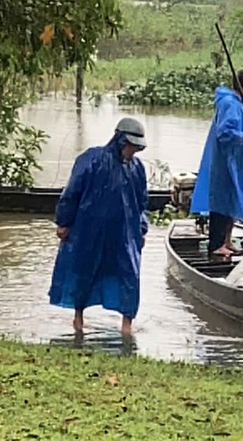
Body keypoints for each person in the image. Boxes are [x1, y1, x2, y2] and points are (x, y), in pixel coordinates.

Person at [49, 117, 149, 336]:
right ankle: (78, 319)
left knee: (129, 276)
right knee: (84, 270)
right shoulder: (91, 160)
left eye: (136, 147)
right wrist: (64, 222)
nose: (133, 151)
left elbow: (142, 203)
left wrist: (142, 229)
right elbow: (72, 192)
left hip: (124, 234)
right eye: (131, 145)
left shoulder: (137, 168)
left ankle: (127, 326)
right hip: (89, 229)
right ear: (121, 140)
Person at [190, 70, 243, 258]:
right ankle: (216, 244)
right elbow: (225, 132)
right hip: (225, 160)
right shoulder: (229, 103)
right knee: (222, 200)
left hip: (237, 160)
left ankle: (227, 240)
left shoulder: (240, 104)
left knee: (233, 200)